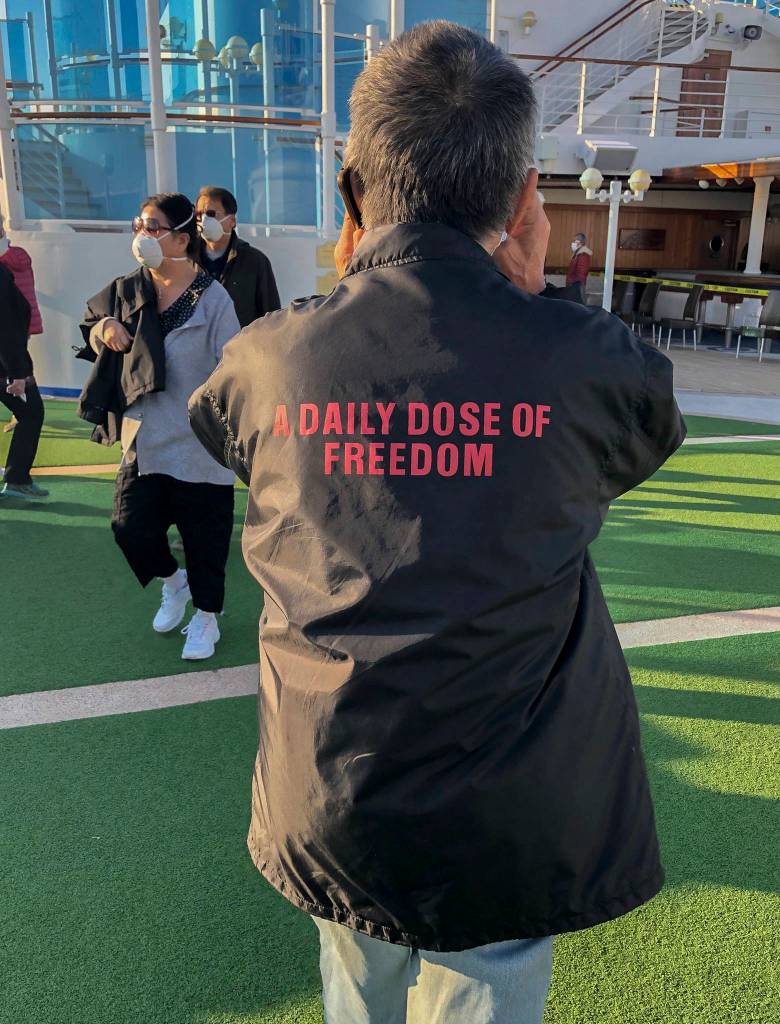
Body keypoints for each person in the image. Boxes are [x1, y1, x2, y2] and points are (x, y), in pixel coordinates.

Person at [189, 22, 685, 1024]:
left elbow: (227, 434)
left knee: (355, 989)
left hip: (332, 793)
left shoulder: (266, 360)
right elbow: (639, 436)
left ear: (354, 190)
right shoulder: (588, 360)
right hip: (512, 811)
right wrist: (529, 304)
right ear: (521, 197)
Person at [77, 192, 240, 660]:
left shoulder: (213, 298)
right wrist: (105, 326)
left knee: (204, 540)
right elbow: (92, 324)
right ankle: (173, 582)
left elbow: (233, 365)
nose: (141, 236)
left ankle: (206, 619)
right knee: (129, 528)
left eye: (153, 227)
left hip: (199, 442)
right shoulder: (128, 289)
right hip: (143, 438)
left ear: (181, 239)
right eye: (139, 225)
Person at [195, 186, 280, 328]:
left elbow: (271, 316)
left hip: (239, 347)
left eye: (211, 214)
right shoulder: (186, 261)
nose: (204, 221)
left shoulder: (255, 262)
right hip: (197, 348)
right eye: (199, 215)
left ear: (232, 221)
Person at [0, 262, 47, 500]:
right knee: (32, 412)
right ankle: (17, 478)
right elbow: (6, 327)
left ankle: (17, 478)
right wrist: (18, 372)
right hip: (5, 365)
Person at [0, 215, 44, 434]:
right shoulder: (20, 256)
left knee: (15, 362)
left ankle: (22, 409)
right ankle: (24, 406)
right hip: (24, 320)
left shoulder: (4, 264)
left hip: (12, 321)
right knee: (19, 360)